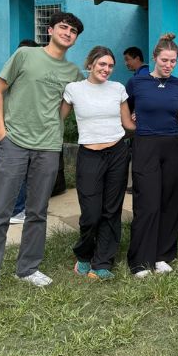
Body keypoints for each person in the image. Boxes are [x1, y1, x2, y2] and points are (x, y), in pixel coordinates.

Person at [0, 12, 84, 305]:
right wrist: (1, 132)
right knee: (0, 212)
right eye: (63, 27)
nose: (68, 33)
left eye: (73, 31)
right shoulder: (25, 55)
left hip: (48, 147)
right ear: (51, 29)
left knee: (37, 210)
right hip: (14, 142)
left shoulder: (73, 72)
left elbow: (76, 101)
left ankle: (27, 269)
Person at [61, 46, 135, 280]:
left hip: (117, 153)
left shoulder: (118, 89)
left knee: (111, 210)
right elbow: (56, 118)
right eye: (102, 64)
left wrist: (150, 122)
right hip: (89, 155)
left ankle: (103, 261)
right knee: (91, 212)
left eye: (110, 65)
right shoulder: (74, 89)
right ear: (90, 64)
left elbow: (128, 125)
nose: (106, 69)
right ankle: (84, 255)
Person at [125, 33, 178, 277]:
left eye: (173, 61)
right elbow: (125, 107)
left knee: (170, 201)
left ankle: (163, 255)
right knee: (148, 203)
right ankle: (140, 260)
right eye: (164, 60)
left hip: (172, 144)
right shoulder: (138, 82)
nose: (168, 65)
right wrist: (131, 122)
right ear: (154, 58)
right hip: (145, 144)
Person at [8, 38, 40, 225]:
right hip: (19, 132)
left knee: (28, 173)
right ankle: (18, 210)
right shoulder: (17, 74)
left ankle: (21, 208)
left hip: (33, 132)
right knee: (20, 173)